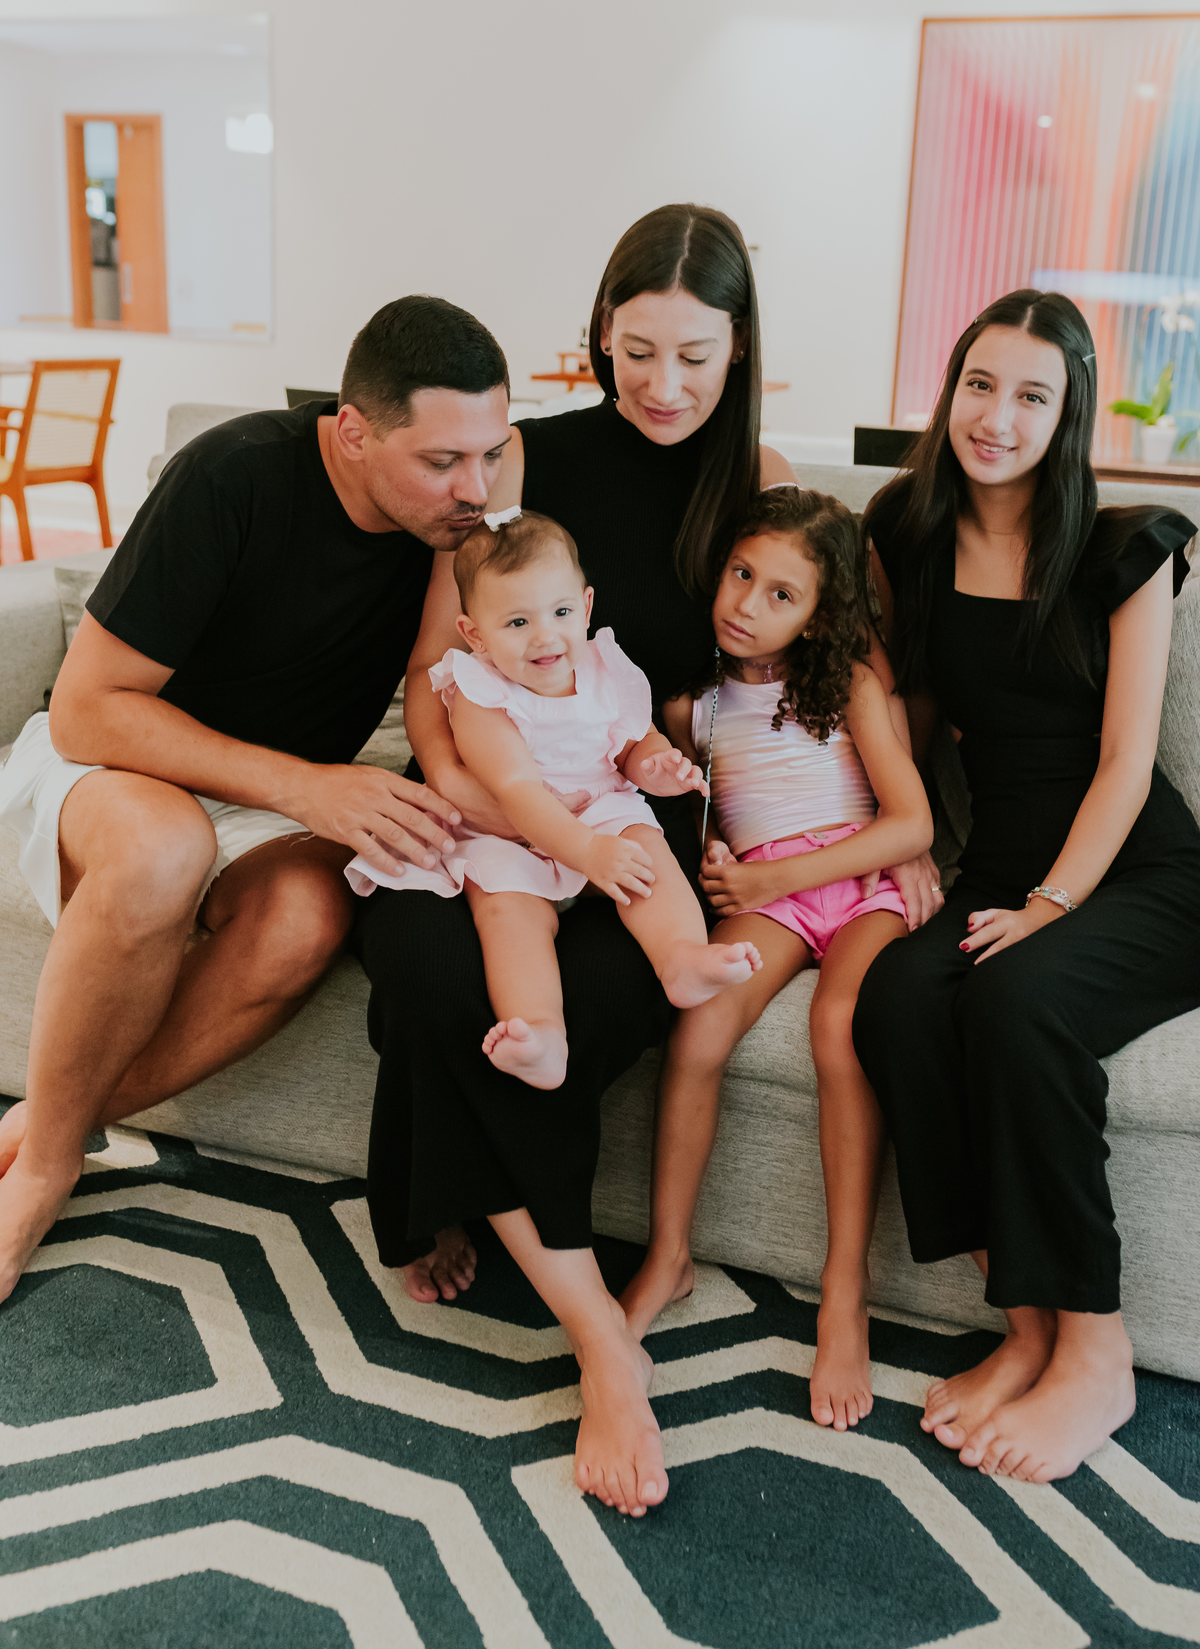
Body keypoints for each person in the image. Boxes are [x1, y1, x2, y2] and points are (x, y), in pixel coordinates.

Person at [359, 203, 943, 1519]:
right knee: (438, 975)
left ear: (740, 350)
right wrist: (480, 806)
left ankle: (463, 1201)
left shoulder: (760, 481)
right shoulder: (523, 461)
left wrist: (914, 840)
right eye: (635, 353)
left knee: (591, 1003)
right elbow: (434, 672)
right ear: (598, 339)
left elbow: (850, 653)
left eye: (694, 355)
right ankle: (598, 1341)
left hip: (639, 810)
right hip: (484, 799)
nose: (663, 385)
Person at [0, 295, 513, 1304]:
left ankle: (44, 1122)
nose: (476, 488)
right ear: (353, 432)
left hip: (267, 807)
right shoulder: (230, 475)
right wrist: (306, 786)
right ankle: (46, 1173)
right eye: (443, 461)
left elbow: (436, 664)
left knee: (310, 915)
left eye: (490, 452)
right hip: (121, 762)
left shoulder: (461, 514)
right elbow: (88, 711)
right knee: (165, 849)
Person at [853, 287, 1200, 1484]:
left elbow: (1124, 764)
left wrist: (1050, 907)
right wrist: (897, 836)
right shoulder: (905, 528)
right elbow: (908, 704)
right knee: (900, 999)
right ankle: (1028, 1323)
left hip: (1144, 872)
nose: (997, 417)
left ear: (1069, 415)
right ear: (951, 389)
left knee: (1016, 1002)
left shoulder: (1125, 548)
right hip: (1000, 863)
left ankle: (1098, 1352)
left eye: (1032, 396)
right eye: (980, 385)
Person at [619, 487, 932, 1430]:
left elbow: (910, 823)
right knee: (699, 1023)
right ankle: (669, 1254)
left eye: (782, 594)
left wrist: (768, 880)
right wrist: (718, 853)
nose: (747, 604)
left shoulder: (850, 685)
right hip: (768, 901)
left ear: (821, 614)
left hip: (858, 883)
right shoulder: (696, 705)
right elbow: (688, 805)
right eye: (741, 574)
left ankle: (845, 1292)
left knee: (840, 1027)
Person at [346, 508, 761, 1089]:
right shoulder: (479, 690)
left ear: (586, 608)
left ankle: (682, 958)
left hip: (597, 809)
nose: (545, 636)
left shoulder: (604, 666)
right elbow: (515, 789)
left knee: (646, 850)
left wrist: (657, 765)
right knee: (509, 913)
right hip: (509, 832)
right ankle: (540, 1033)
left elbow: (632, 741)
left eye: (561, 613)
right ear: (475, 633)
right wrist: (586, 852)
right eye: (517, 622)